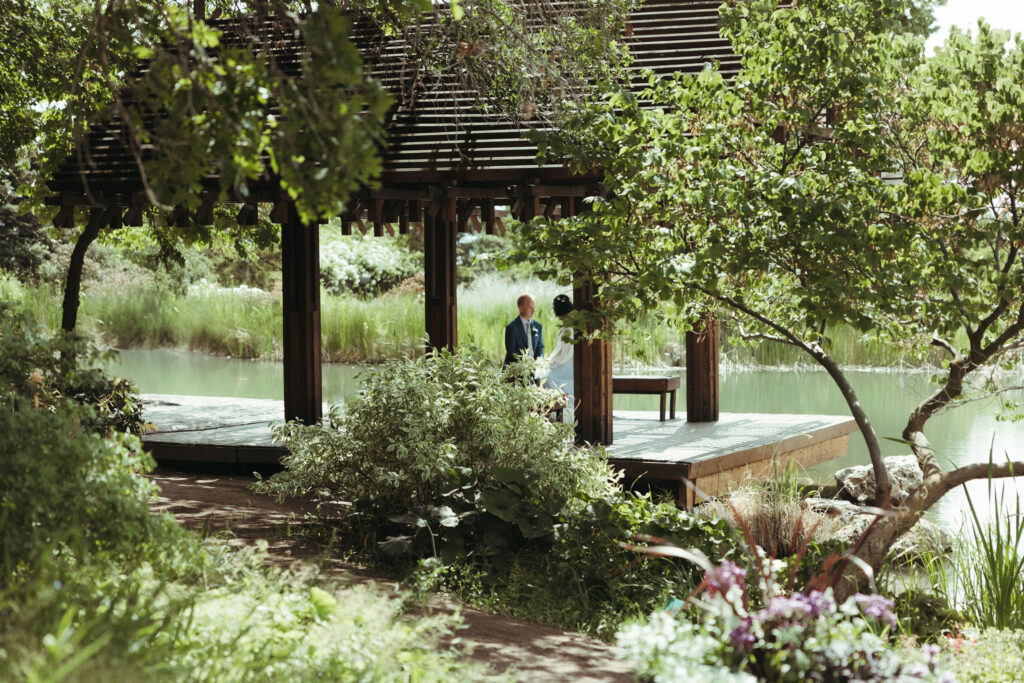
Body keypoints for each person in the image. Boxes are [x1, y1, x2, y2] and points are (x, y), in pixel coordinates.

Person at [543, 294, 574, 419]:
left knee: (545, 375)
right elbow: (559, 351)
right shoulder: (566, 327)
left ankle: (551, 408)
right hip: (564, 362)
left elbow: (565, 355)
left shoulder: (569, 329)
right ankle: (549, 408)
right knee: (542, 372)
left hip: (567, 365)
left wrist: (551, 362)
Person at [503, 293, 543, 367]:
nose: (533, 310)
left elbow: (540, 348)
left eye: (534, 308)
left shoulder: (538, 326)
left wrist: (538, 361)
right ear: (521, 308)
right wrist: (528, 364)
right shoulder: (511, 328)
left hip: (534, 370)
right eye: (530, 308)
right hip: (515, 371)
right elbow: (512, 353)